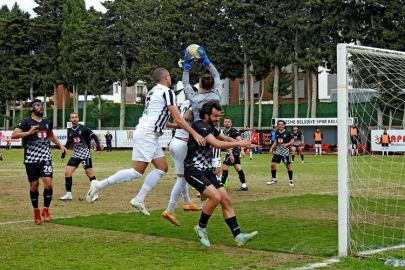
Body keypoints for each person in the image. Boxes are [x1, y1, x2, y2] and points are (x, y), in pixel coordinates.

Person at [86, 68, 206, 216]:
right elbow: (177, 117)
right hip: (147, 134)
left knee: (162, 168)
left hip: (148, 133)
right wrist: (194, 133)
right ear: (166, 78)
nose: (171, 79)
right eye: (169, 76)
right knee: (136, 172)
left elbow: (155, 116)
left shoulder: (152, 92)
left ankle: (139, 198)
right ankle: (98, 185)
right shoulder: (167, 92)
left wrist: (173, 125)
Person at [184, 100, 258, 247]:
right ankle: (200, 228)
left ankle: (238, 236)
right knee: (215, 197)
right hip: (193, 170)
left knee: (225, 200)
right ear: (206, 115)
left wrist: (244, 142)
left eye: (219, 116)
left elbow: (223, 138)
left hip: (206, 170)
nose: (218, 119)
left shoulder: (212, 127)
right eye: (215, 115)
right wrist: (239, 144)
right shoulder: (199, 125)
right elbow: (217, 144)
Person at [11, 99, 67, 225]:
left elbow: (51, 135)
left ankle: (46, 210)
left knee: (48, 184)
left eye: (41, 106)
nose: (40, 107)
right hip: (31, 159)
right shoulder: (26, 122)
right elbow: (14, 135)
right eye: (37, 105)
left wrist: (60, 145)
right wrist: (28, 132)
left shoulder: (47, 122)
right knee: (34, 186)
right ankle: (36, 211)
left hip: (45, 157)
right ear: (31, 109)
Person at [162, 91, 202, 227]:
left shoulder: (184, 103)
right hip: (183, 144)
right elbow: (183, 119)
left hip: (175, 141)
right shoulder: (194, 106)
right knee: (182, 178)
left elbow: (177, 119)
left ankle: (188, 202)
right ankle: (169, 210)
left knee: (184, 176)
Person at [60, 113, 101, 201]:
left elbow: (95, 137)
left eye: (76, 117)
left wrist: (98, 147)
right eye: (72, 118)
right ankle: (68, 194)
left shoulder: (84, 128)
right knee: (67, 172)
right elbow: (68, 143)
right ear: (70, 119)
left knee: (89, 173)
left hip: (85, 154)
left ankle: (95, 194)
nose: (74, 119)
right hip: (75, 154)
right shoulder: (69, 130)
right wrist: (63, 154)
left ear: (78, 118)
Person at [183, 47, 222, 122]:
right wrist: (207, 62)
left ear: (200, 85)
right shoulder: (217, 96)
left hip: (196, 132)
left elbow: (186, 83)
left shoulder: (194, 98)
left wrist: (186, 67)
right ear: (213, 86)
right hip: (212, 131)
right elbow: (216, 76)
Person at [221, 117, 247, 191]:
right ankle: (244, 185)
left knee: (224, 167)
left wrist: (242, 150)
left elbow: (240, 140)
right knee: (238, 168)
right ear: (223, 123)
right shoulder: (225, 132)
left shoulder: (233, 131)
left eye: (228, 122)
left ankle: (221, 186)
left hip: (232, 151)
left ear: (231, 123)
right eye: (225, 122)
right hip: (233, 151)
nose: (226, 123)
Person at [267, 120, 294, 186]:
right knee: (273, 165)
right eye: (279, 124)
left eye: (281, 124)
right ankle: (274, 180)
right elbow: (276, 141)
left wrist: (287, 144)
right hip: (278, 151)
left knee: (288, 166)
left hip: (285, 152)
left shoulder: (288, 132)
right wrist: (271, 148)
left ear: (284, 125)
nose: (280, 125)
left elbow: (292, 141)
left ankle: (291, 180)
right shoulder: (276, 132)